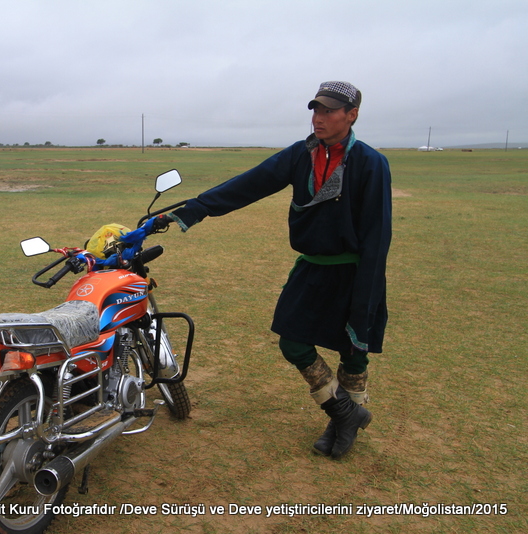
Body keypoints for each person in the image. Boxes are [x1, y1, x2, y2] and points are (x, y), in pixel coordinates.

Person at [163, 81, 392, 459]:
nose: (318, 118)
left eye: (329, 111)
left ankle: (340, 426)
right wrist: (194, 208)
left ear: (351, 115)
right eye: (316, 110)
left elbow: (377, 236)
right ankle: (346, 413)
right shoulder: (301, 155)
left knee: (353, 350)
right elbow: (250, 184)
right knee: (293, 342)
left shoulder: (371, 163)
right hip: (311, 268)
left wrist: (365, 298)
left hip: (354, 271)